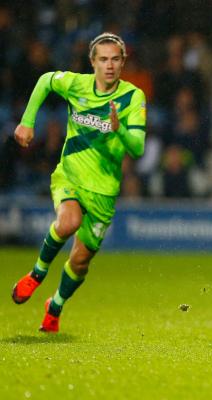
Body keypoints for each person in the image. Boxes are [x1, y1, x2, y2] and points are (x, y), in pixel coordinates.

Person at [11, 32, 147, 333]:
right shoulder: (77, 84)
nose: (109, 65)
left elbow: (137, 147)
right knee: (68, 221)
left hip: (104, 191)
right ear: (92, 62)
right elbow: (46, 79)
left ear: (122, 62)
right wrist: (27, 120)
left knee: (81, 261)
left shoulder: (132, 97)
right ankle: (37, 273)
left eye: (115, 59)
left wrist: (119, 128)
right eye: (103, 59)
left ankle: (55, 306)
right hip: (70, 174)